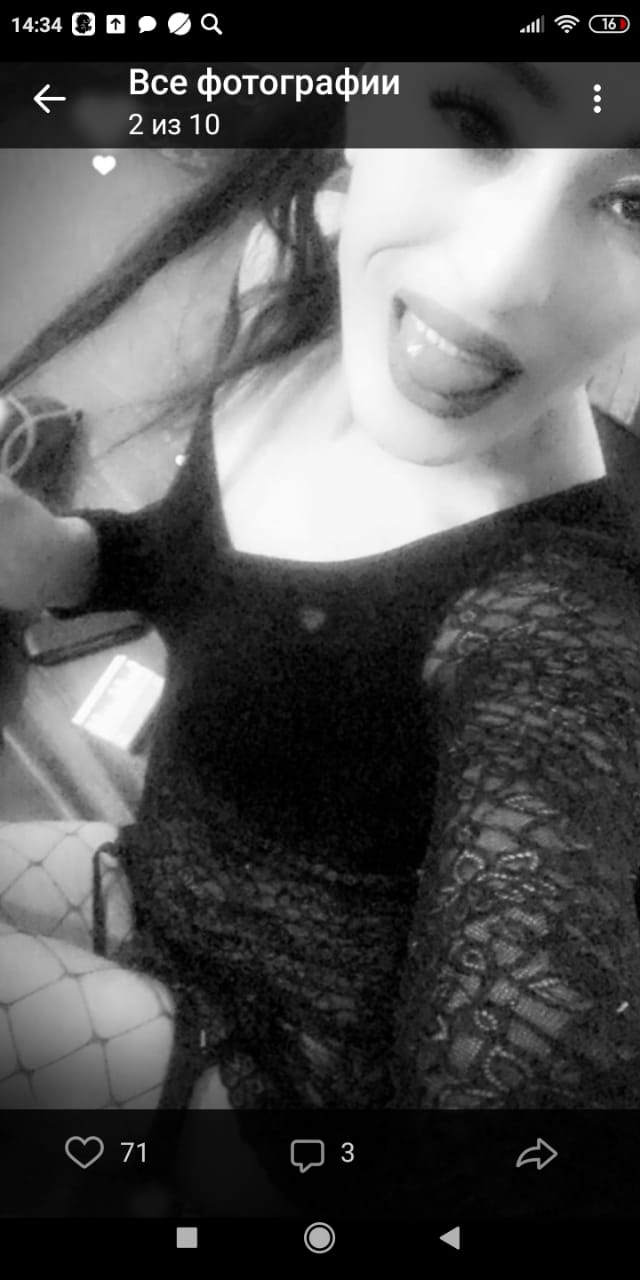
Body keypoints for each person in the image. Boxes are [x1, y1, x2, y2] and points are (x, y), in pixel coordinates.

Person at [3, 62, 640, 1131]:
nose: (496, 278)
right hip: (162, 882)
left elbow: (530, 1069)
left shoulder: (564, 608)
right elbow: (199, 568)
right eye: (470, 119)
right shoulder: (290, 282)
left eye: (634, 205)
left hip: (282, 1093)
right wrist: (54, 553)